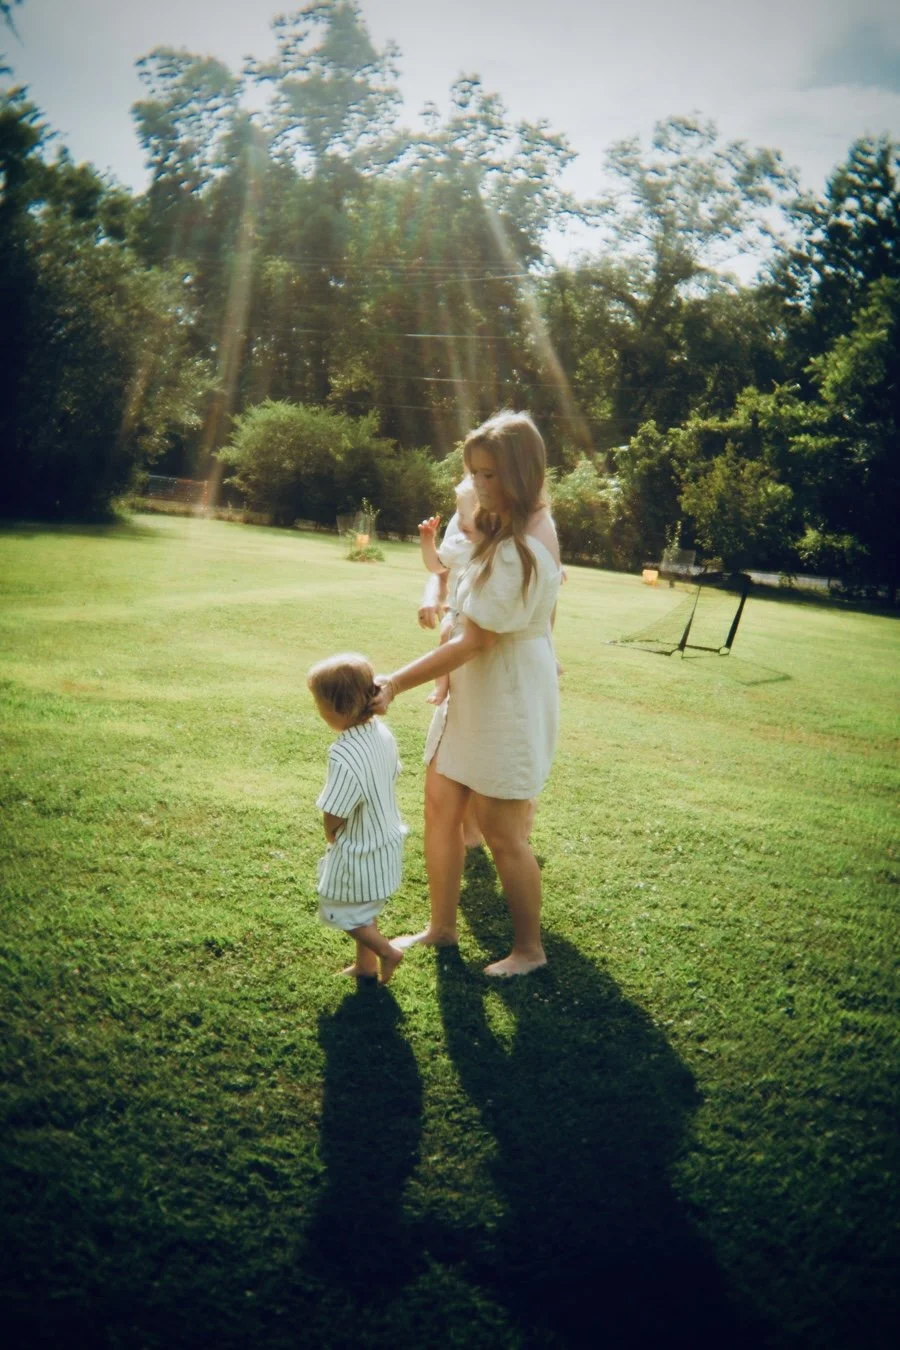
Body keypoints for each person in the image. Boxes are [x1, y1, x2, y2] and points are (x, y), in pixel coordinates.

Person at [372, 411, 562, 977]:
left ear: (522, 474)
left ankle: (529, 949)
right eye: (474, 474)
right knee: (439, 807)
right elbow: (453, 555)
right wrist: (467, 503)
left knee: (504, 832)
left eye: (490, 475)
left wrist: (397, 682)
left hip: (506, 694)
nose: (479, 487)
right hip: (469, 694)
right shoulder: (497, 521)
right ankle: (441, 927)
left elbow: (477, 638)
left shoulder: (525, 545)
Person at [308, 652, 407, 984]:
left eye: (319, 705)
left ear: (336, 709)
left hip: (360, 849)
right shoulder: (381, 733)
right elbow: (391, 772)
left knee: (342, 910)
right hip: (387, 839)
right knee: (366, 908)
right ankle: (365, 966)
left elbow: (336, 807)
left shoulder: (343, 752)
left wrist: (330, 831)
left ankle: (387, 952)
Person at [417, 474, 480, 708]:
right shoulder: (458, 545)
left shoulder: (502, 546)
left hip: (482, 612)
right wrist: (427, 542)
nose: (460, 522)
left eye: (465, 515)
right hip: (457, 610)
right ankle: (440, 686)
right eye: (459, 515)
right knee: (446, 635)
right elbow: (435, 566)